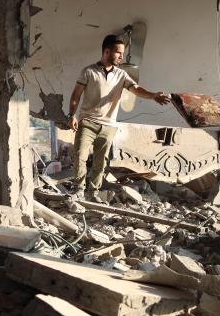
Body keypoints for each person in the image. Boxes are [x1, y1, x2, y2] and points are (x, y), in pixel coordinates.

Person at [66, 33, 171, 202]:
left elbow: (135, 88)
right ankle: (78, 189)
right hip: (88, 122)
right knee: (80, 156)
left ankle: (93, 192)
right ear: (106, 52)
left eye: (123, 53)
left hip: (109, 126)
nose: (122, 56)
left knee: (100, 162)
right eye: (118, 52)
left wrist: (152, 96)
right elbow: (75, 95)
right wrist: (72, 115)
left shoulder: (121, 75)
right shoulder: (88, 71)